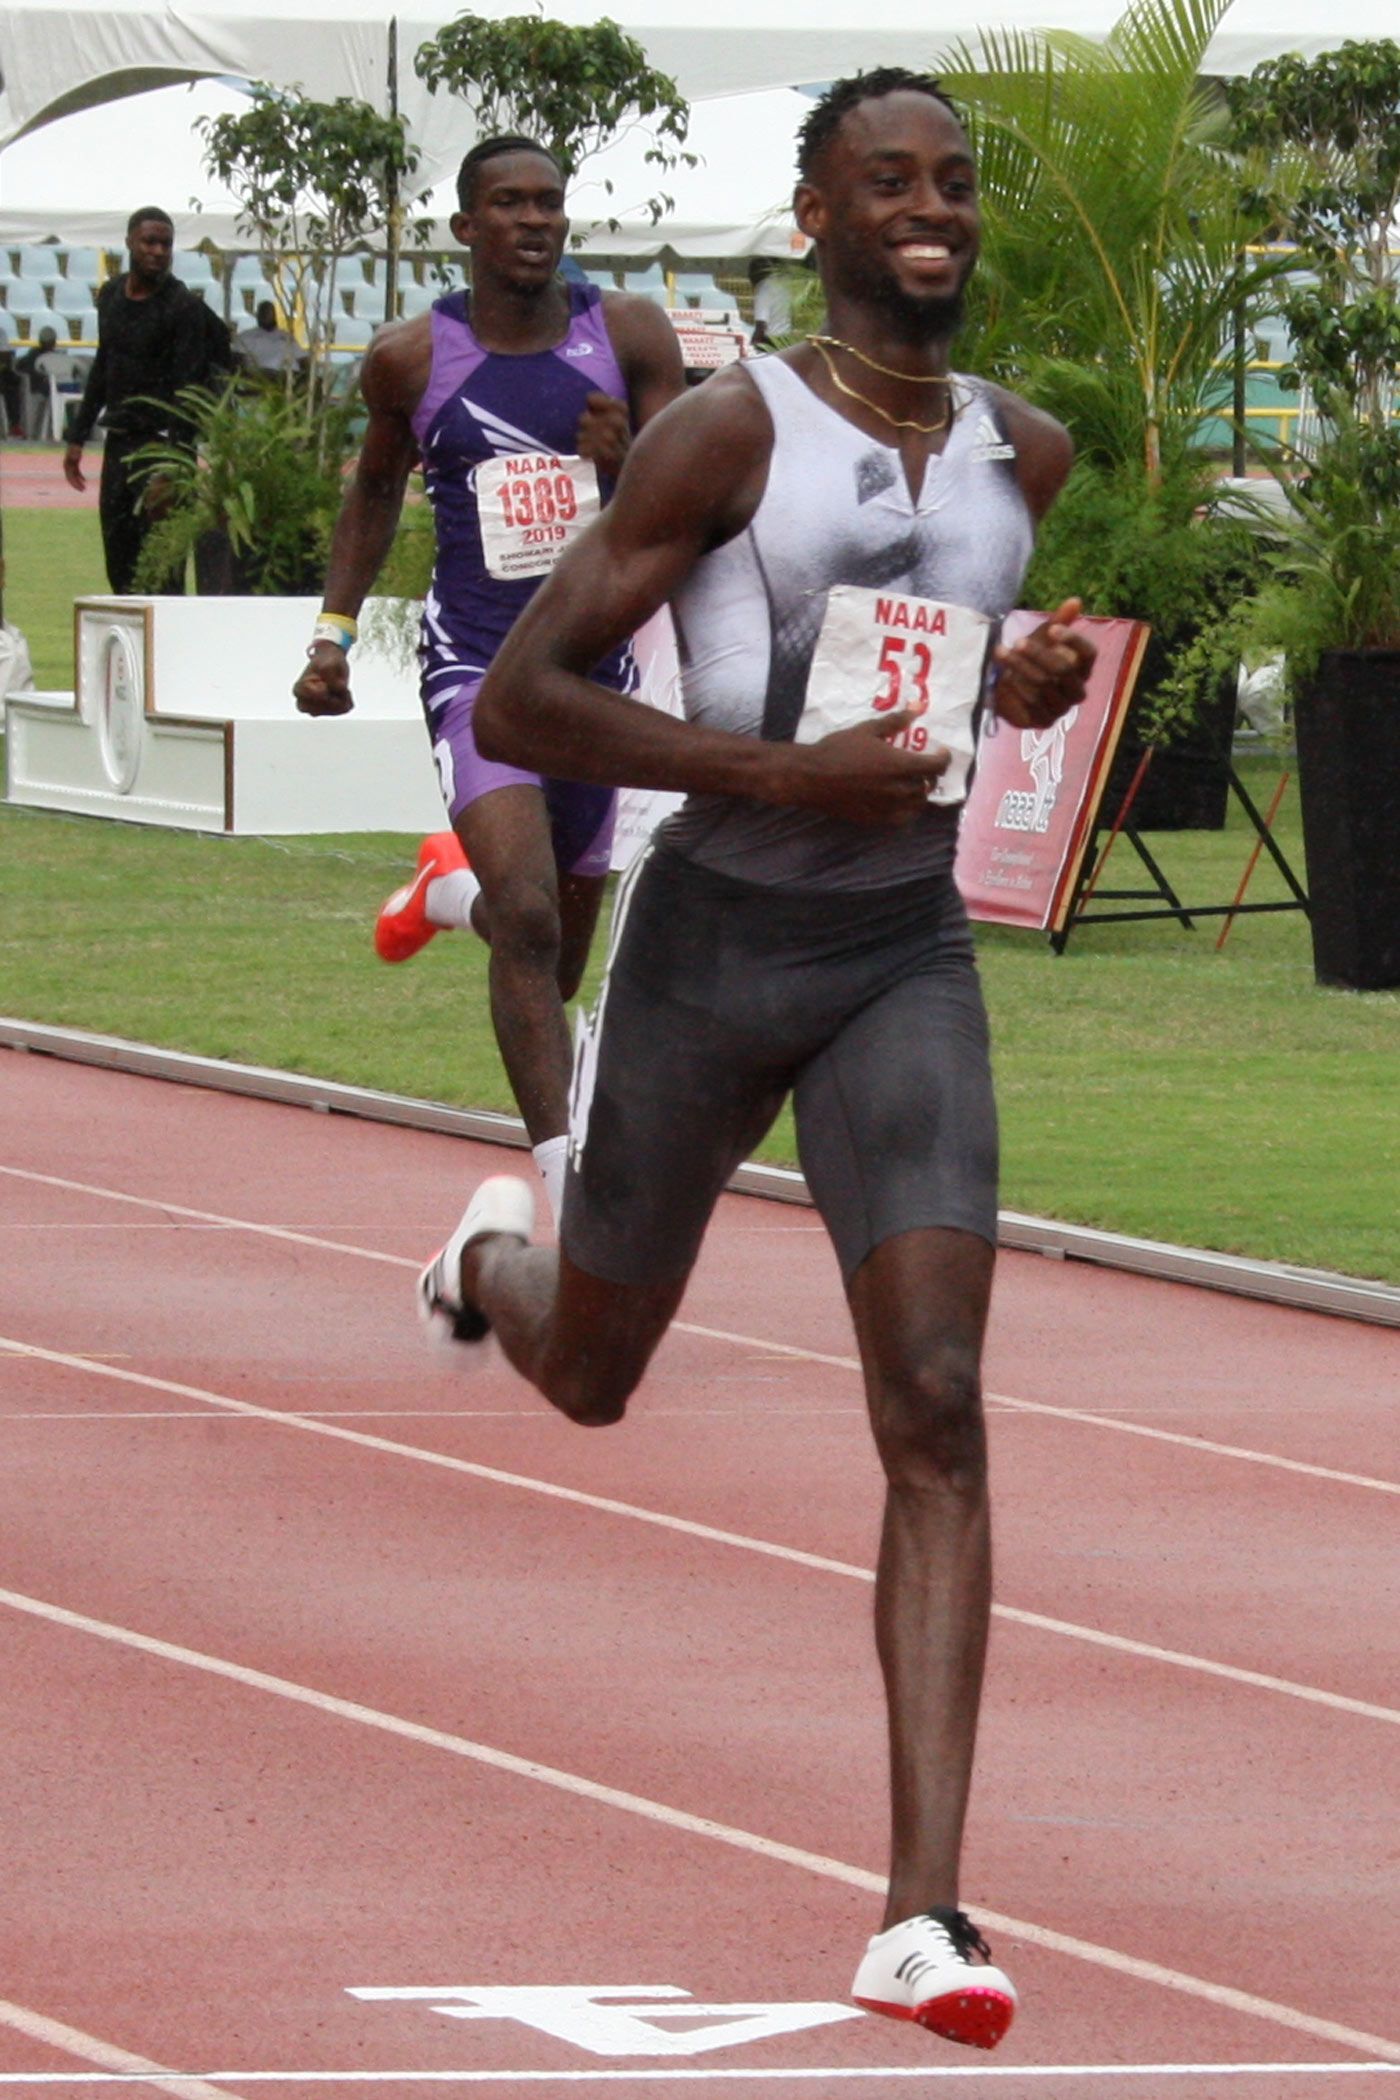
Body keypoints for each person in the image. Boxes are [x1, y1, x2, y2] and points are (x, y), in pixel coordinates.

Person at [415, 71, 1096, 2051]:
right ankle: (492, 1261)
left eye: (954, 185)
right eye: (887, 183)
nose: (932, 213)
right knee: (595, 1373)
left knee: (942, 1399)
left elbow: (950, 692)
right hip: (717, 941)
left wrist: (1021, 682)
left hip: (896, 953)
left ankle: (922, 1917)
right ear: (813, 214)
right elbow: (538, 697)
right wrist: (778, 769)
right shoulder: (731, 432)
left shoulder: (1015, 452)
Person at [293, 136, 686, 1222]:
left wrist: (620, 467)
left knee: (550, 955)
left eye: (549, 204)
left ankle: (440, 891)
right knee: (527, 918)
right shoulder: (411, 360)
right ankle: (569, 1191)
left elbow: (687, 511)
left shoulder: (632, 338)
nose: (534, 222)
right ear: (464, 228)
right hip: (477, 666)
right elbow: (374, 493)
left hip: (597, 676)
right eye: (507, 205)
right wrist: (330, 633)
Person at [63, 209, 235, 592]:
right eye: (149, 242)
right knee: (119, 562)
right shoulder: (110, 296)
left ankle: (167, 649)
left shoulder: (182, 308)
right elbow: (104, 365)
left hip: (163, 447)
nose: (158, 251)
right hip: (121, 444)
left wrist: (173, 469)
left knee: (163, 570)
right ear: (129, 243)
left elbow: (187, 393)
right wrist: (77, 437)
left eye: (166, 244)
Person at [236, 299, 304, 376]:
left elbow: (302, 358)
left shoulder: (287, 336)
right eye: (263, 313)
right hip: (261, 377)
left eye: (269, 313)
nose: (266, 316)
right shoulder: (246, 336)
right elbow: (238, 360)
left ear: (274, 315)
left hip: (290, 376)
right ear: (258, 316)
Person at [747, 256, 794, 348]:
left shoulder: (764, 288)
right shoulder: (785, 284)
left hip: (771, 341)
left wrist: (751, 346)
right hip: (786, 338)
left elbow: (761, 326)